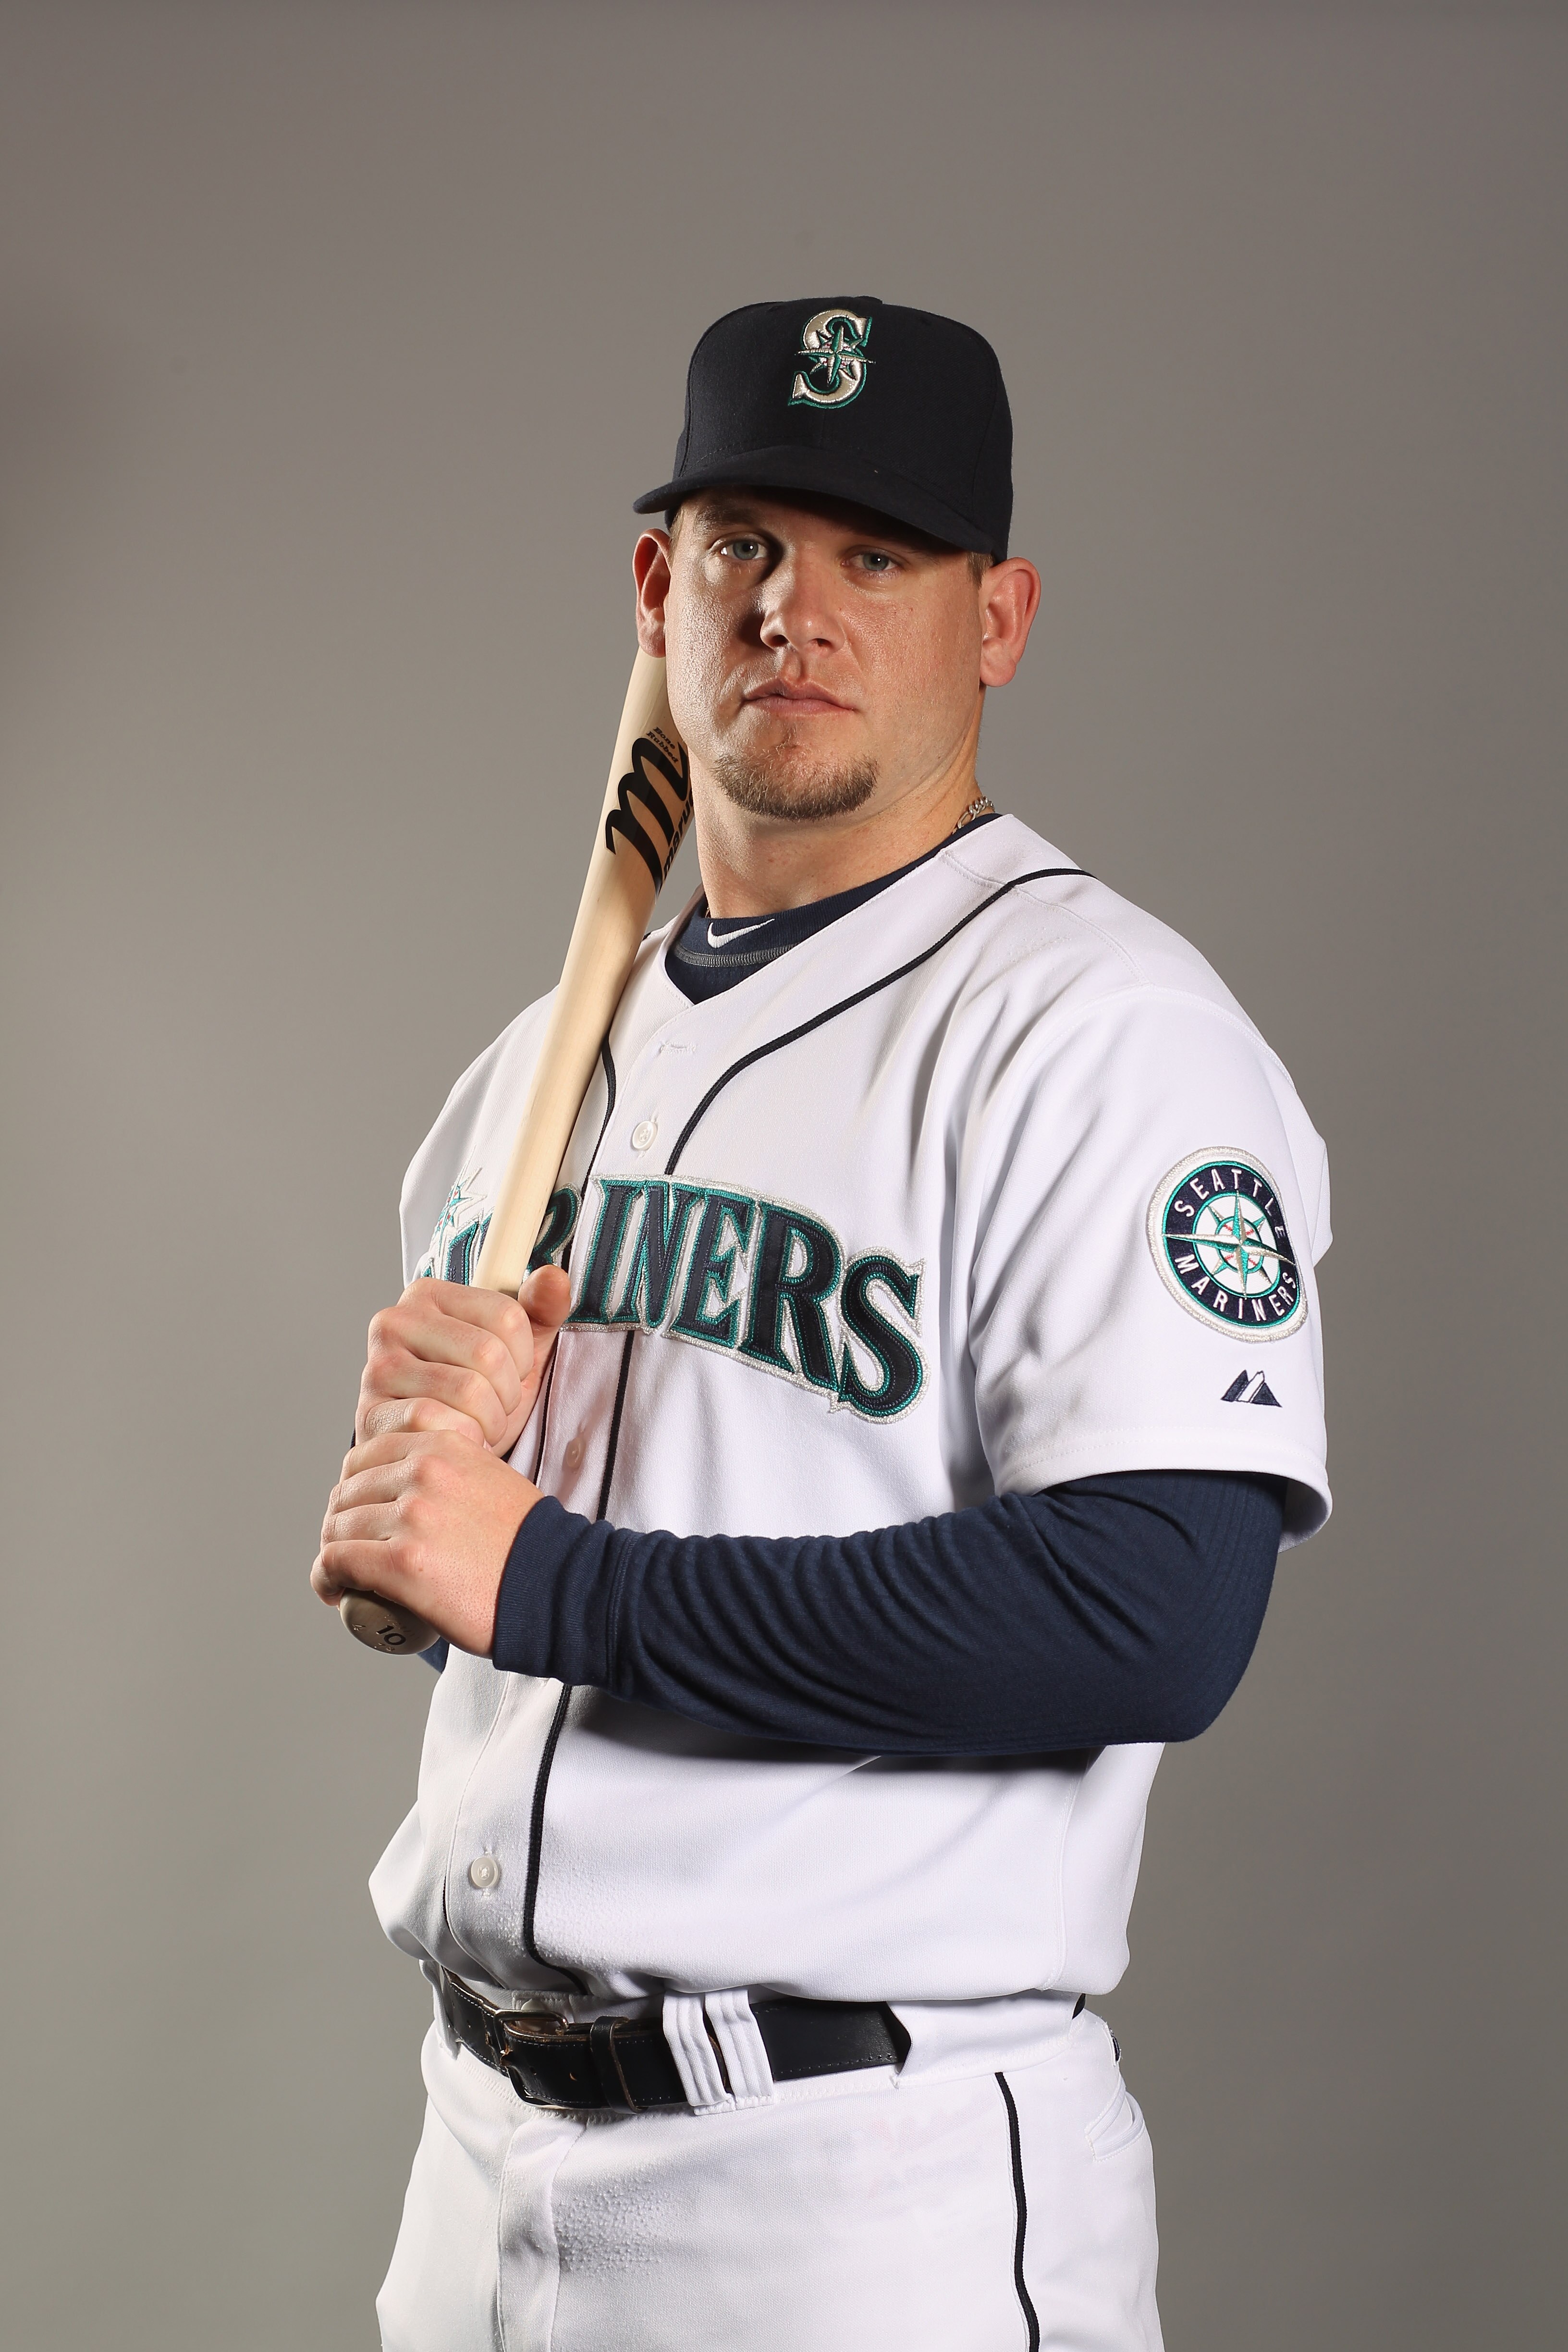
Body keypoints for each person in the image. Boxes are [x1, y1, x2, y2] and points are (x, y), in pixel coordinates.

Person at [313, 298, 1331, 2352]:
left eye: (880, 557)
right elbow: (443, 1588)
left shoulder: (1097, 1034)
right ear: (656, 589)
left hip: (861, 2197)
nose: (799, 608)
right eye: (746, 545)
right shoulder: (533, 1072)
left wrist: (554, 1580)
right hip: (474, 2166)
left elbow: (1157, 1609)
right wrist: (417, 1511)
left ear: (1001, 617)